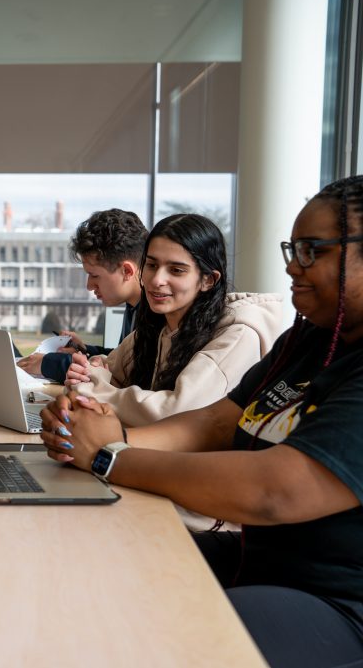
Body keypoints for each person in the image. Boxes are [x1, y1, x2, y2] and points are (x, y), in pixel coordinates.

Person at [39, 175, 363, 667]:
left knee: (173, 634)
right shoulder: (308, 339)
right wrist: (112, 434)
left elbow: (276, 490)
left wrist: (109, 456)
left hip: (335, 601)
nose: (293, 266)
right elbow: (215, 421)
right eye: (291, 249)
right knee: (94, 560)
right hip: (258, 558)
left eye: (312, 250)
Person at [64, 213, 283, 427]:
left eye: (176, 270)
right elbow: (104, 375)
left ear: (208, 280)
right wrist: (89, 370)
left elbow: (175, 415)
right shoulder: (158, 326)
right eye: (151, 265)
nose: (157, 280)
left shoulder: (237, 336)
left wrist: (94, 386)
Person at [17, 208, 147, 381]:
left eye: (94, 275)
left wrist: (50, 364)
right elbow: (121, 359)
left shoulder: (155, 314)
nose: (89, 286)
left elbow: (127, 376)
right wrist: (85, 350)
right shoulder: (134, 306)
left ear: (126, 271)